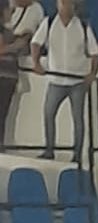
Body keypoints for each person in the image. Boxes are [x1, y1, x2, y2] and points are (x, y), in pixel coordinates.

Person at [30, 0, 98, 163]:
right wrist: (36, 62)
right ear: (58, 5)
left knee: (78, 119)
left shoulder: (82, 26)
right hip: (56, 80)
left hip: (77, 80)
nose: (66, 6)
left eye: (68, 3)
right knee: (48, 114)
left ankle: (77, 155)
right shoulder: (49, 22)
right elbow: (35, 43)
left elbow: (95, 52)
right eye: (63, 3)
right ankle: (49, 150)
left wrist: (92, 73)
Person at [1, 0, 46, 146]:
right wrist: (15, 45)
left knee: (3, 113)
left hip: (9, 76)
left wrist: (24, 38)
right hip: (2, 75)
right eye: (8, 10)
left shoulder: (8, 31)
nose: (12, 12)